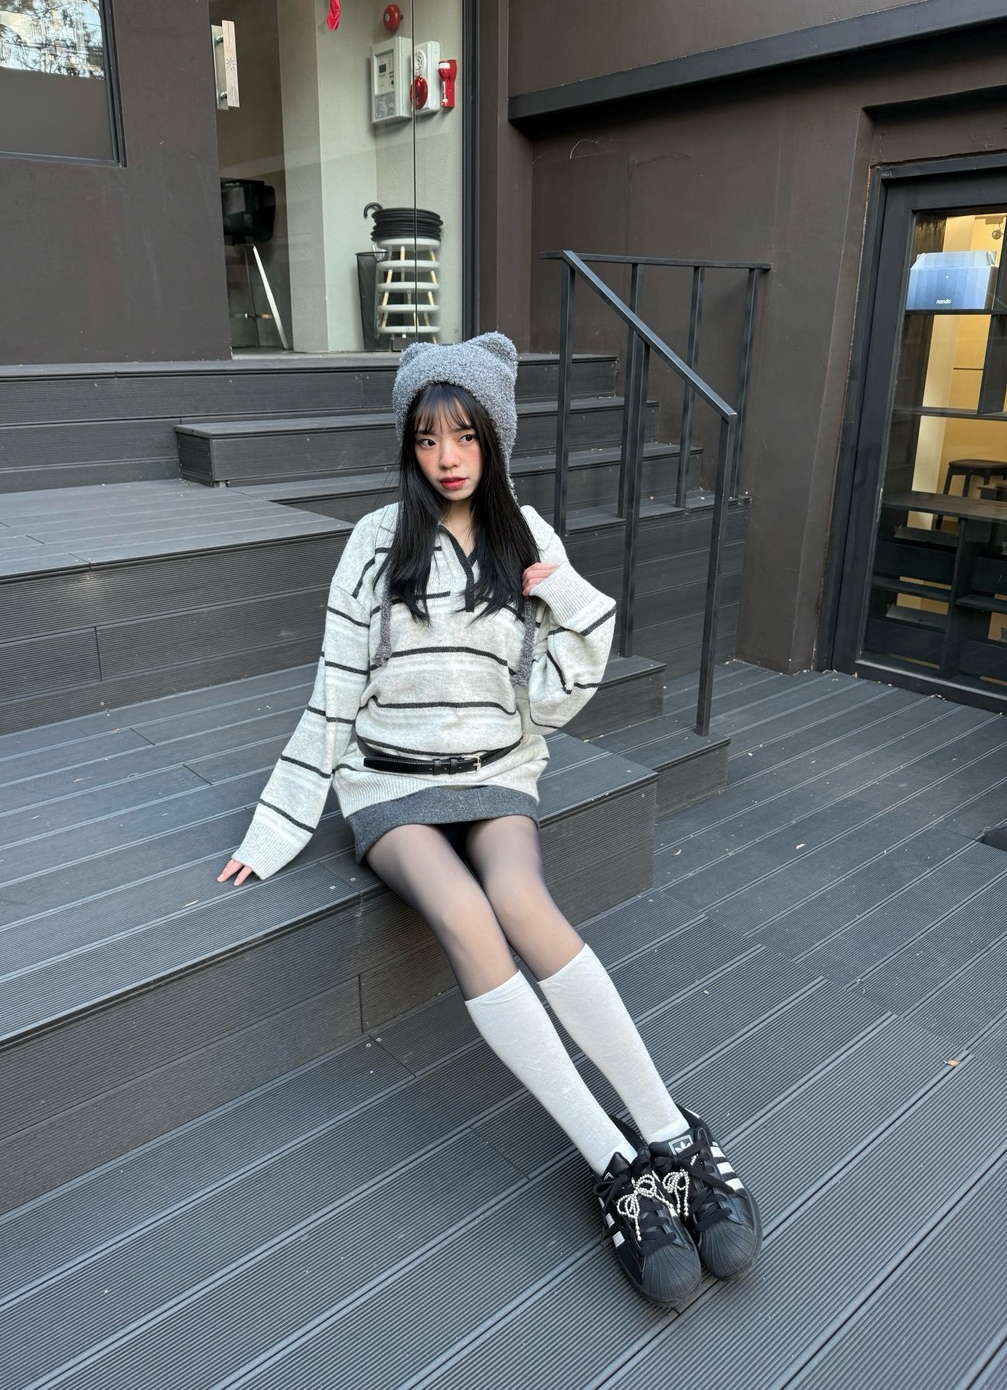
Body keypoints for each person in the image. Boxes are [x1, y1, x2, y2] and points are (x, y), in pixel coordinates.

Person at [218, 332, 761, 1306]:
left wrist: (561, 606)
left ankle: (672, 1134)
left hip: (498, 770)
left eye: (465, 435)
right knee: (466, 913)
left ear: (494, 438)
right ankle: (613, 1165)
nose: (447, 456)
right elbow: (333, 694)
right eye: (428, 437)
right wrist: (275, 828)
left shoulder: (527, 535)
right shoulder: (374, 542)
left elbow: (564, 677)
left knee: (520, 900)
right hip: (388, 784)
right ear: (409, 445)